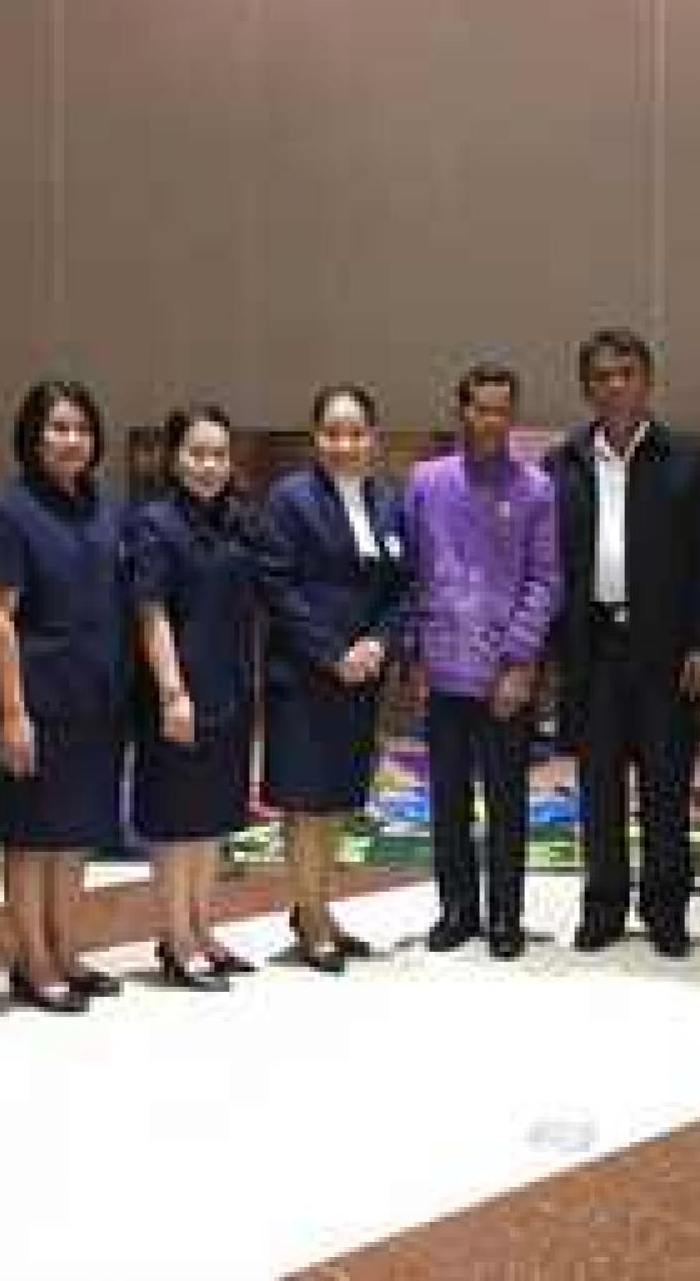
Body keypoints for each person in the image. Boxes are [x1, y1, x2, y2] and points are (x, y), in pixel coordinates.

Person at [127, 405, 337, 990]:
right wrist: (172, 691)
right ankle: (177, 939)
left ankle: (202, 928)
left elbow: (280, 583)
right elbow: (151, 612)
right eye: (197, 453)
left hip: (231, 689)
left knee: (212, 818)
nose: (209, 465)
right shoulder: (154, 524)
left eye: (219, 454)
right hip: (179, 693)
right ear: (174, 458)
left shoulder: (239, 521)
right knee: (177, 823)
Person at [546, 329, 700, 957]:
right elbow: (551, 561)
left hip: (667, 649)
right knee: (598, 789)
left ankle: (666, 910)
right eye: (601, 375)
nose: (614, 385)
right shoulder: (562, 463)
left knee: (666, 787)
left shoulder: (689, 461)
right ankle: (602, 908)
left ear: (648, 382)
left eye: (626, 373)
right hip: (592, 647)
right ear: (585, 387)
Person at [0, 380, 130, 1014]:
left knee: (76, 834)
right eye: (58, 428)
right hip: (36, 699)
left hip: (96, 697)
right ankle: (32, 961)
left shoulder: (105, 506)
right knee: (32, 837)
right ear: (33, 436)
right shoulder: (7, 510)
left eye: (82, 429)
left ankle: (67, 950)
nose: (72, 440)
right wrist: (12, 712)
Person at [406, 363, 560, 960]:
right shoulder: (426, 482)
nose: (491, 420)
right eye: (480, 408)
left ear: (512, 416)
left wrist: (520, 661)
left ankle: (504, 915)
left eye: (502, 409)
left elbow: (545, 581)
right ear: (461, 411)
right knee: (446, 800)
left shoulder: (536, 489)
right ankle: (456, 910)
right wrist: (415, 653)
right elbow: (411, 572)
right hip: (442, 668)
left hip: (505, 676)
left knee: (506, 801)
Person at [262, 385, 413, 971]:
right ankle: (312, 919)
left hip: (360, 679)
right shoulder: (290, 500)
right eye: (332, 433)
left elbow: (403, 587)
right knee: (306, 805)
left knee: (338, 802)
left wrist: (379, 642)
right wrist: (332, 653)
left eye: (355, 433)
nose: (343, 444)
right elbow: (278, 587)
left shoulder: (387, 501)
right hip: (304, 677)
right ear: (315, 437)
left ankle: (317, 908)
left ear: (372, 438)